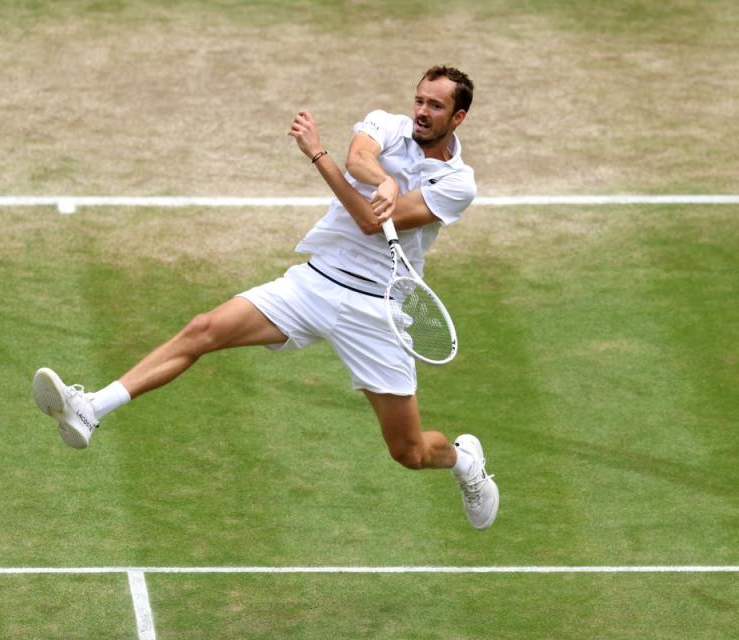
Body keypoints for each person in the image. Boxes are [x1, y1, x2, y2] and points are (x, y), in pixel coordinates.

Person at [33, 65, 499, 530]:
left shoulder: (459, 183)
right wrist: (387, 179)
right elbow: (360, 159)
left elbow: (370, 221)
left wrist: (318, 154)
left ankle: (463, 462)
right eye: (419, 100)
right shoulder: (386, 124)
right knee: (203, 330)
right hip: (316, 282)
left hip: (377, 311)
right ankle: (91, 408)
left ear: (457, 119)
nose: (421, 111)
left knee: (409, 451)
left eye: (435, 106)